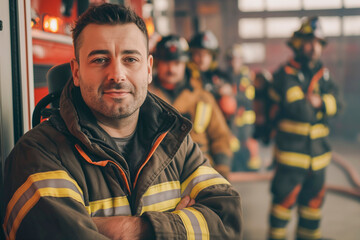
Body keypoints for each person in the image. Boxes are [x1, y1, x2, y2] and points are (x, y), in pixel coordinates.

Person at [2, 4, 242, 240]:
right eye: (99, 60)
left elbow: (227, 222)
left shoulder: (175, 143)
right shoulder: (38, 154)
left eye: (130, 59)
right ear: (76, 72)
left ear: (148, 70)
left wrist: (134, 229)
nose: (117, 75)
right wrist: (178, 225)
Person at [267, 17, 342, 240]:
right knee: (282, 208)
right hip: (291, 159)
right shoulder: (285, 75)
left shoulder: (324, 75)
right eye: (309, 42)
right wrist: (324, 106)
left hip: (318, 160)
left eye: (318, 42)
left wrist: (320, 102)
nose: (314, 47)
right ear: (297, 44)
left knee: (312, 210)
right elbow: (301, 110)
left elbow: (340, 104)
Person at [149, 35, 233, 179]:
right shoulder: (145, 97)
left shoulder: (203, 97)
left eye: (177, 63)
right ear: (157, 64)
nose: (171, 69)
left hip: (200, 172)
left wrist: (221, 172)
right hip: (158, 176)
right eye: (166, 63)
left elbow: (221, 137)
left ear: (185, 64)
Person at [188, 30, 240, 155]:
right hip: (195, 134)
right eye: (198, 54)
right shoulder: (186, 76)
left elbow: (230, 108)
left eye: (206, 55)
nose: (202, 59)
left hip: (217, 130)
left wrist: (227, 93)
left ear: (213, 57)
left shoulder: (221, 77)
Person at [225, 44, 261, 171]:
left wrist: (230, 94)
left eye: (236, 59)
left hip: (246, 117)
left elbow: (247, 98)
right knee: (233, 143)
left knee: (248, 142)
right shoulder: (226, 75)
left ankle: (253, 167)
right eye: (231, 59)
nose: (233, 62)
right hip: (233, 118)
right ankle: (236, 166)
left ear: (241, 60)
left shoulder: (246, 76)